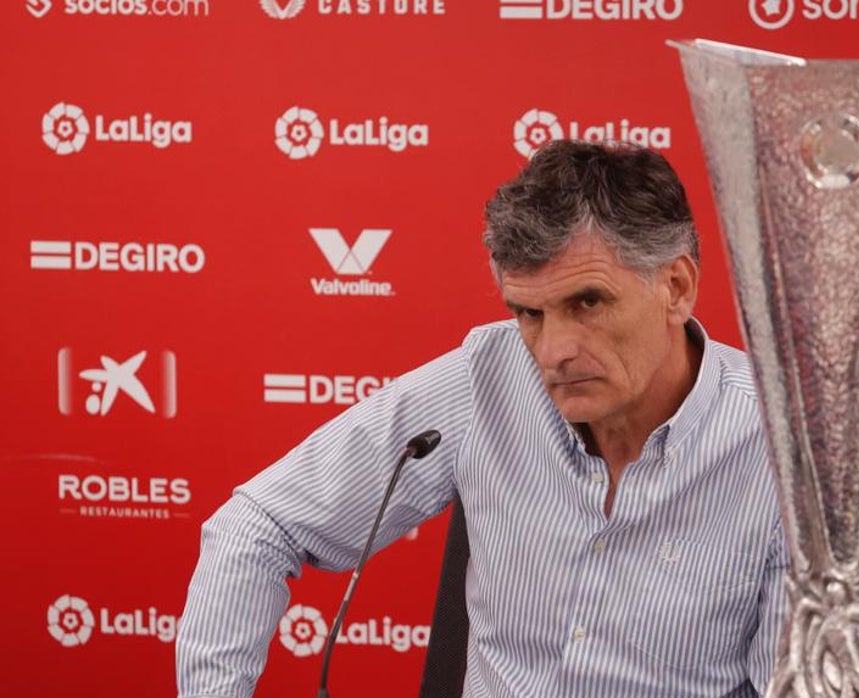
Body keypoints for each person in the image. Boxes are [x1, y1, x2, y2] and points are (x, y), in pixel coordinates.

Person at [176, 141, 788, 698]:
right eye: (529, 313)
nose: (554, 352)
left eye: (588, 302)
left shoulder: (785, 456)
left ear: (677, 286)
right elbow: (256, 525)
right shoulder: (487, 376)